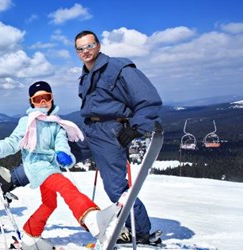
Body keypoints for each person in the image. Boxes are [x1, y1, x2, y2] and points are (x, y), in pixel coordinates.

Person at [0, 81, 119, 249]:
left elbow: (61, 143)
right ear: (31, 102)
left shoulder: (57, 124)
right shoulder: (27, 121)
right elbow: (12, 143)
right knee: (67, 187)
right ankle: (92, 218)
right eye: (38, 99)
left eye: (46, 97)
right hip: (35, 165)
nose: (43, 102)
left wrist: (63, 154)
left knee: (50, 203)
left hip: (51, 166)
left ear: (52, 99)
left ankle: (30, 234)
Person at [73, 30, 162, 244]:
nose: (86, 51)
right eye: (81, 48)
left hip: (109, 132)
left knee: (115, 188)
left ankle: (141, 232)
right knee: (60, 153)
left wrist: (134, 128)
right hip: (89, 130)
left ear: (99, 45)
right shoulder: (85, 75)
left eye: (89, 45)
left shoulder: (119, 68)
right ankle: (13, 179)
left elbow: (149, 100)